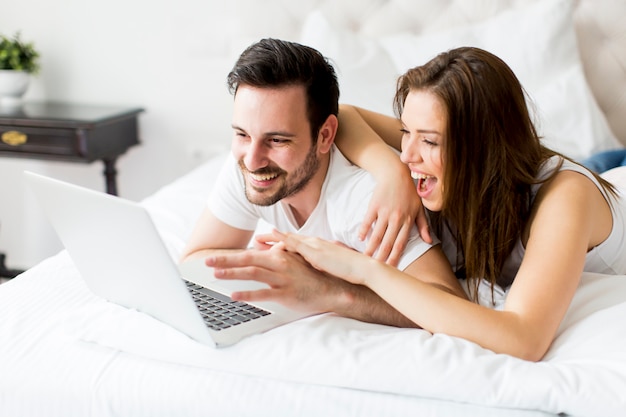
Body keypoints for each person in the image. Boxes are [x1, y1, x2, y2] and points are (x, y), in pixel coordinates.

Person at [255, 47, 626, 361]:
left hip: (600, 188)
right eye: (405, 135)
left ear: (483, 149)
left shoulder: (564, 198)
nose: (407, 154)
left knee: (600, 163)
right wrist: (391, 176)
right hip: (526, 172)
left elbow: (523, 339)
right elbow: (347, 115)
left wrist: (362, 270)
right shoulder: (426, 163)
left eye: (429, 143)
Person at [180, 38, 467, 327]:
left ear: (325, 135)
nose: (253, 161)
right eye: (242, 134)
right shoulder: (245, 165)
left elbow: (449, 301)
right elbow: (193, 258)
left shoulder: (363, 199)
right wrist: (269, 265)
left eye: (277, 140)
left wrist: (327, 289)